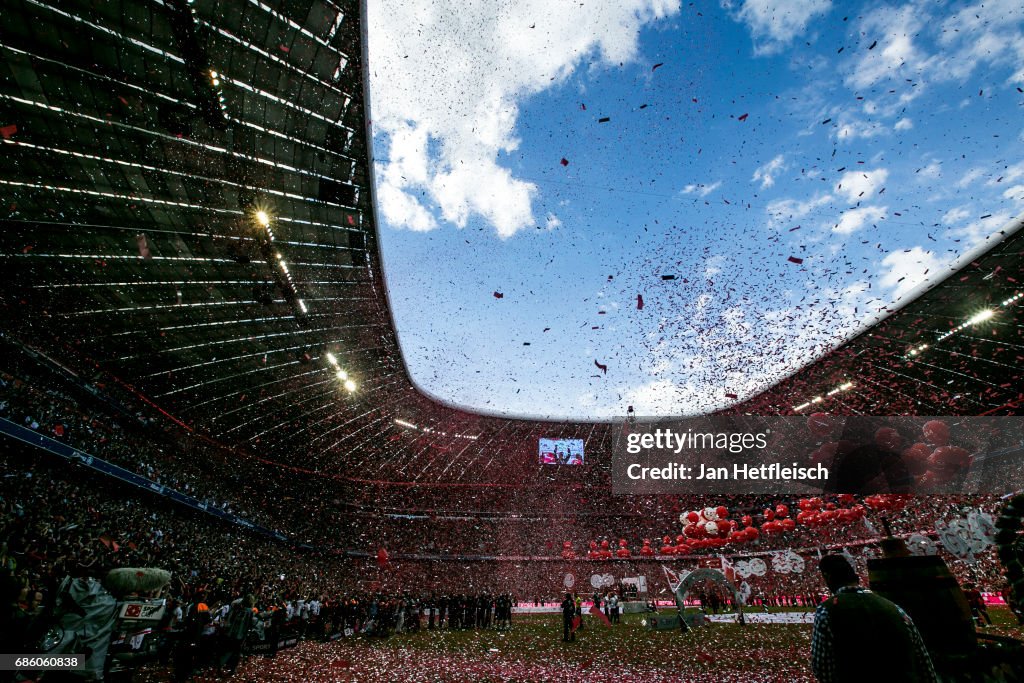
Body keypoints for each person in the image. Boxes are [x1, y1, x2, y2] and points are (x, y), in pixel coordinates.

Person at [811, 555, 937, 683]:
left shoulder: (826, 611)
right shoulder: (895, 609)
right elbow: (924, 662)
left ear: (827, 577)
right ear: (855, 576)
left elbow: (822, 668)